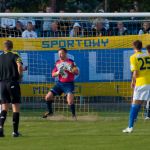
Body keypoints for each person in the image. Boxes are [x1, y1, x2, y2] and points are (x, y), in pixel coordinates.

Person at [43, 48, 79, 119]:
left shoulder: (71, 62)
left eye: (61, 53)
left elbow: (77, 72)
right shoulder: (57, 62)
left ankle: (73, 116)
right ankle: (50, 112)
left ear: (65, 54)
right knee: (47, 97)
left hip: (69, 84)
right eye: (59, 54)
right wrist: (58, 72)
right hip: (60, 84)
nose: (60, 55)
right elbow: (53, 74)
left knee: (70, 101)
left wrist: (70, 69)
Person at [123, 41, 150, 133]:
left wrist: (133, 81)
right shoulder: (147, 55)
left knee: (135, 105)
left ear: (133, 47)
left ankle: (130, 127)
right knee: (141, 103)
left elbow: (135, 72)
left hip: (141, 83)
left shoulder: (133, 57)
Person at [0, 40, 23, 137]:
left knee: (4, 107)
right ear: (12, 47)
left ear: (4, 47)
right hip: (12, 82)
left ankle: (0, 128)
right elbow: (20, 66)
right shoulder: (15, 55)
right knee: (15, 107)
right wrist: (20, 75)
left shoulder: (0, 57)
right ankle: (15, 132)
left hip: (2, 84)